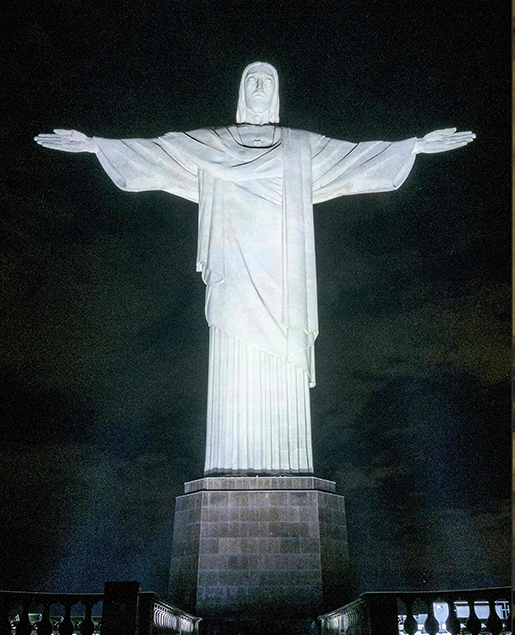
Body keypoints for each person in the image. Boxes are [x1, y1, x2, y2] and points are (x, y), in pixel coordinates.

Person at [36, 61, 475, 475]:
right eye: (252, 80)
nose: (260, 86)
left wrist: (415, 146)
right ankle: (229, 462)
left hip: (284, 272)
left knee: (283, 350)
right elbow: (157, 153)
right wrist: (95, 145)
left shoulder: (301, 145)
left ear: (277, 92)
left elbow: (355, 159)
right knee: (233, 351)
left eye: (267, 80)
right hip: (233, 267)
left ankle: (290, 464)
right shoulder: (213, 143)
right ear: (241, 92)